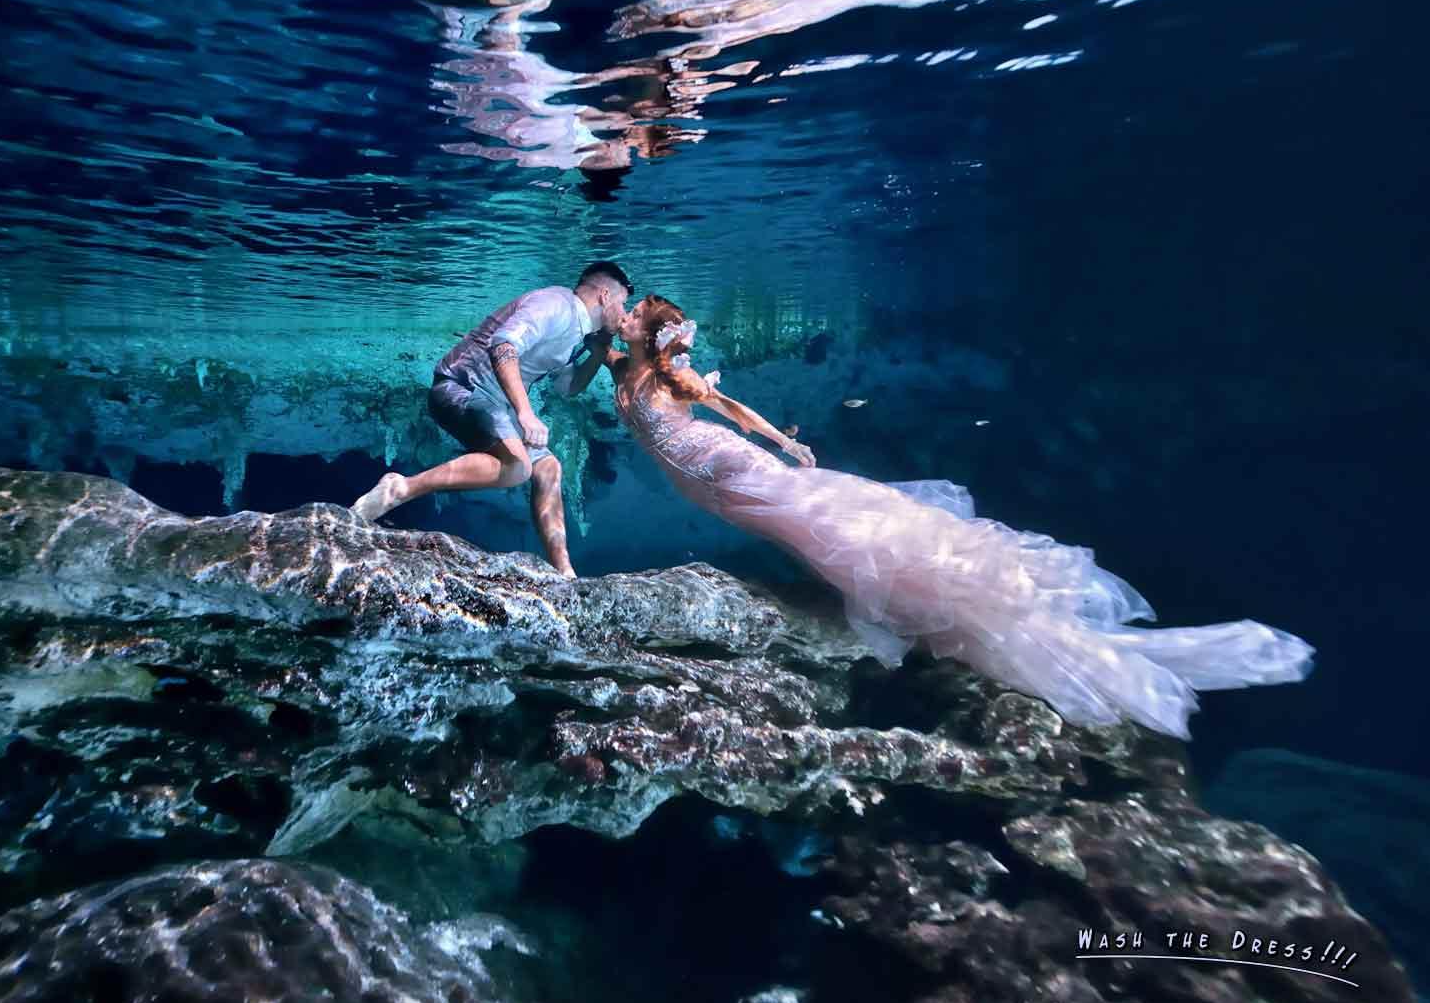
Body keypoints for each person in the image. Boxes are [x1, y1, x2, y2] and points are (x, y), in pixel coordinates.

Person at [601, 294, 1315, 740]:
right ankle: (954, 594)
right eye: (629, 314)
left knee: (844, 535)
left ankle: (968, 597)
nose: (626, 316)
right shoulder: (625, 369)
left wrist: (785, 442)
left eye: (634, 313)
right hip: (721, 487)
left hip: (736, 474)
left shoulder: (670, 375)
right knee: (833, 535)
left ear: (654, 334)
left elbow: (732, 412)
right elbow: (617, 369)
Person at [351, 262, 634, 578]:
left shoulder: (580, 332)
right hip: (464, 387)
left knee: (547, 468)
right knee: (517, 468)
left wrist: (598, 353)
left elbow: (568, 388)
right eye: (623, 303)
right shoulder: (555, 304)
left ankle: (564, 571)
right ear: (606, 295)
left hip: (495, 403)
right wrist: (525, 413)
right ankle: (400, 487)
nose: (625, 313)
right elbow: (504, 344)